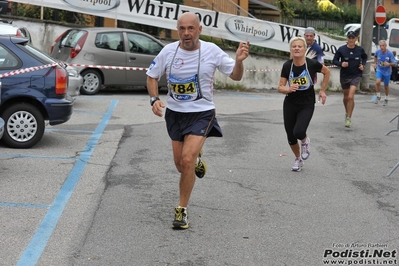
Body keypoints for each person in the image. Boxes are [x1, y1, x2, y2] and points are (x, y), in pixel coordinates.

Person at [146, 12, 249, 229]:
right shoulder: (168, 51)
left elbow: (236, 76)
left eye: (190, 28)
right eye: (182, 29)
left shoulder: (211, 50)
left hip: (202, 112)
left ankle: (181, 210)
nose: (186, 33)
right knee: (180, 166)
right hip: (175, 113)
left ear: (199, 30)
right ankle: (197, 159)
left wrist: (238, 62)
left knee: (186, 160)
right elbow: (152, 75)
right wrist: (154, 99)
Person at [278, 36, 330, 172]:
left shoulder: (311, 64)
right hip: (290, 103)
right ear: (290, 49)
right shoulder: (287, 66)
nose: (296, 48)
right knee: (290, 136)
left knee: (299, 131)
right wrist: (288, 89)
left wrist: (323, 91)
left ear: (304, 49)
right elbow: (280, 87)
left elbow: (327, 71)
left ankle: (305, 141)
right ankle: (298, 159)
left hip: (307, 103)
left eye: (299, 46)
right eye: (294, 46)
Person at [332, 31, 367, 128]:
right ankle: (347, 112)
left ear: (356, 39)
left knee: (351, 97)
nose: (351, 40)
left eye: (353, 38)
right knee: (346, 97)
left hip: (356, 75)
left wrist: (362, 65)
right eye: (349, 38)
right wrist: (341, 64)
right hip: (344, 75)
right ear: (347, 38)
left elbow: (365, 57)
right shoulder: (341, 49)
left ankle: (349, 118)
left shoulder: (360, 49)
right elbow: (334, 60)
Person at [373, 40, 397, 106]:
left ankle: (386, 98)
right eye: (380, 46)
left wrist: (389, 64)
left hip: (387, 72)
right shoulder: (378, 52)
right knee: (377, 82)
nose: (381, 47)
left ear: (386, 46)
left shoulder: (389, 53)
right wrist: (375, 63)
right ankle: (378, 96)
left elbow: (395, 63)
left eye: (383, 46)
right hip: (379, 69)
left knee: (386, 86)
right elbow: (375, 56)